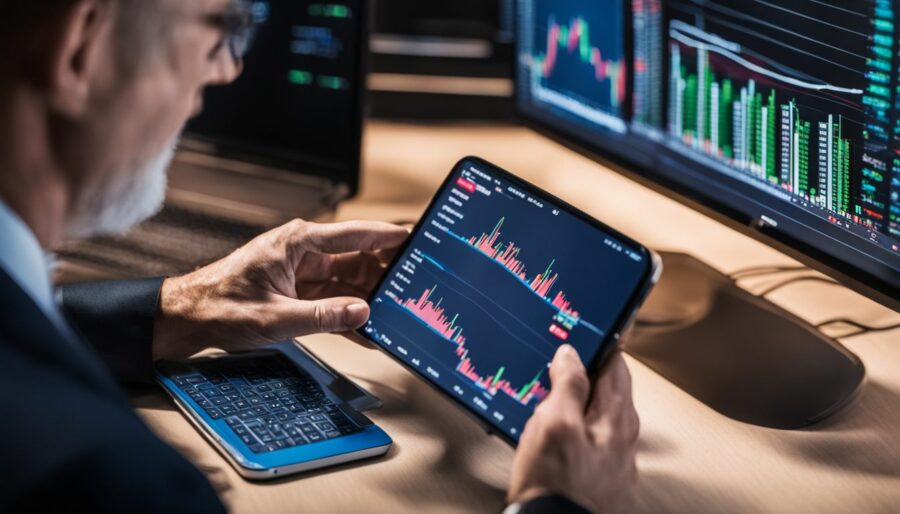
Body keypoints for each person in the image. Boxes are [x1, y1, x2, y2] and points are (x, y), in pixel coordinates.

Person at [0, 1, 640, 513]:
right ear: (81, 44)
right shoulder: (103, 479)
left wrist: (177, 308)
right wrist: (556, 505)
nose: (227, 68)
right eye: (223, 25)